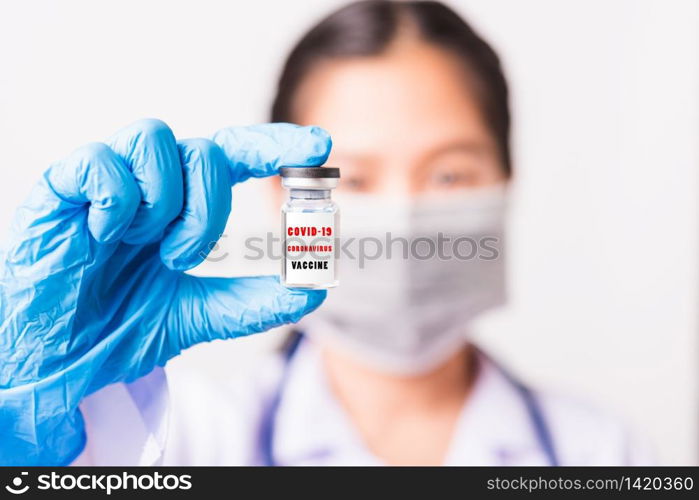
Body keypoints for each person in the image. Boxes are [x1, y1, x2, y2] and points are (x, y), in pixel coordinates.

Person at [0, 0, 648, 466]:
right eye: (356, 179)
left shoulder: (601, 454)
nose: (402, 221)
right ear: (284, 195)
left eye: (449, 175)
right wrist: (24, 433)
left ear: (505, 180)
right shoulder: (180, 442)